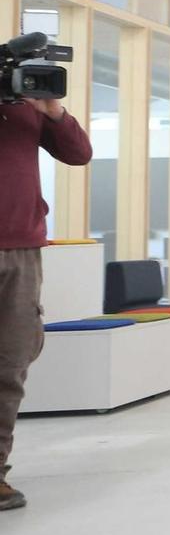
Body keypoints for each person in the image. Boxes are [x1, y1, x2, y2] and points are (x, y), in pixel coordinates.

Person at [1, 89, 94, 511]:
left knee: (10, 363)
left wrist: (52, 111)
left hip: (20, 251)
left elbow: (78, 153)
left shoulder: (25, 104)